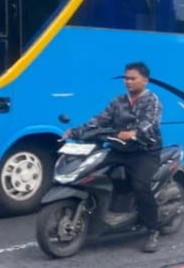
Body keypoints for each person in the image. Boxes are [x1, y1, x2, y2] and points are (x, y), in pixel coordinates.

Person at [66, 61, 163, 252]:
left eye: (132, 78)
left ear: (145, 80)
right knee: (92, 172)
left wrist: (134, 133)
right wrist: (75, 131)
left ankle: (152, 229)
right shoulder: (118, 101)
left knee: (140, 186)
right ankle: (109, 211)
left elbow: (150, 124)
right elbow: (100, 119)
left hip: (144, 151)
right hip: (119, 149)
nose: (128, 82)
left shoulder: (152, 101)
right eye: (126, 78)